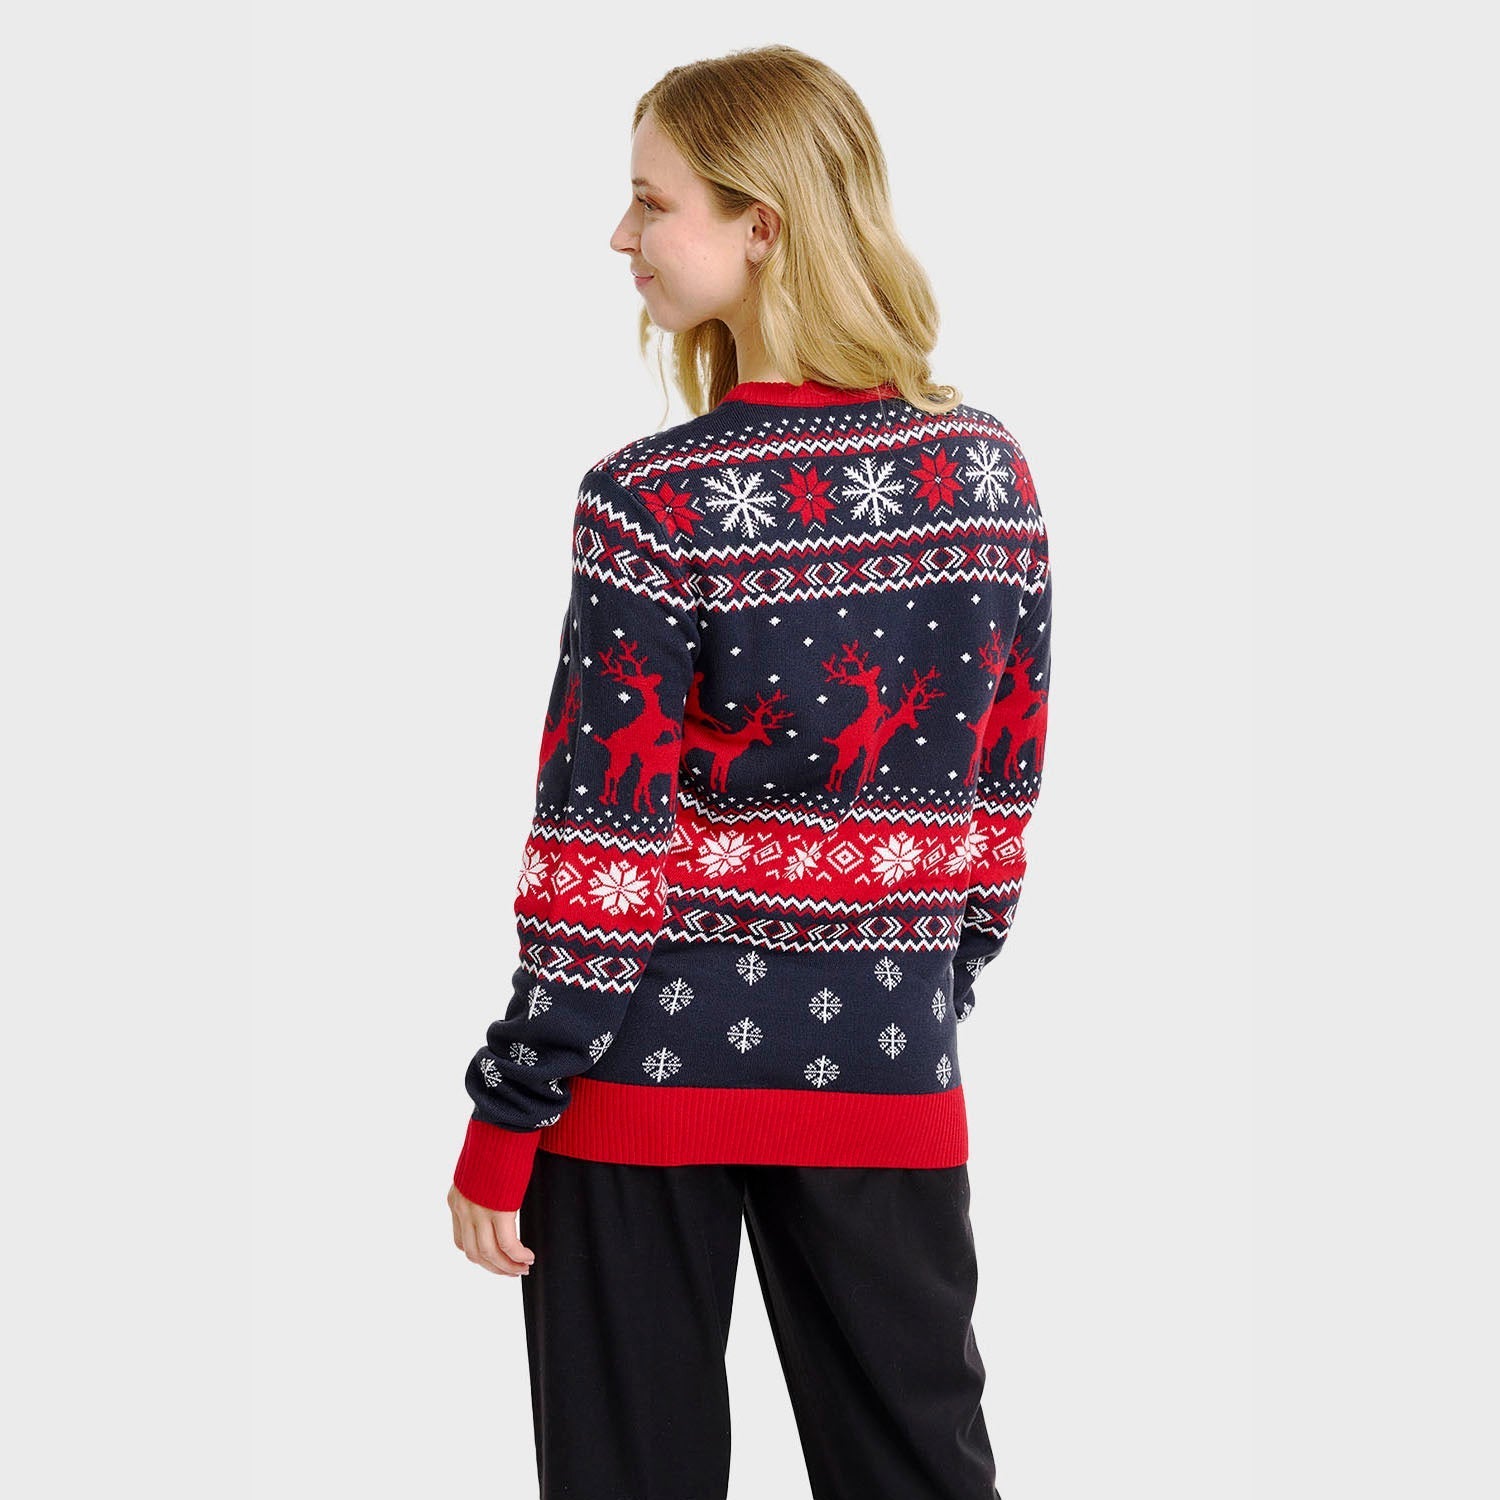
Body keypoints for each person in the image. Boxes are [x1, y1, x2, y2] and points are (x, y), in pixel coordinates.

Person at [447, 43, 1052, 1500]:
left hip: (636, 1079)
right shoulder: (984, 476)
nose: (622, 235)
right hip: (886, 1061)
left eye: (653, 202)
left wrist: (512, 1101)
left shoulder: (653, 502)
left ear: (761, 223)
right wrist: (910, 986)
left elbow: (599, 839)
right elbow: (1003, 792)